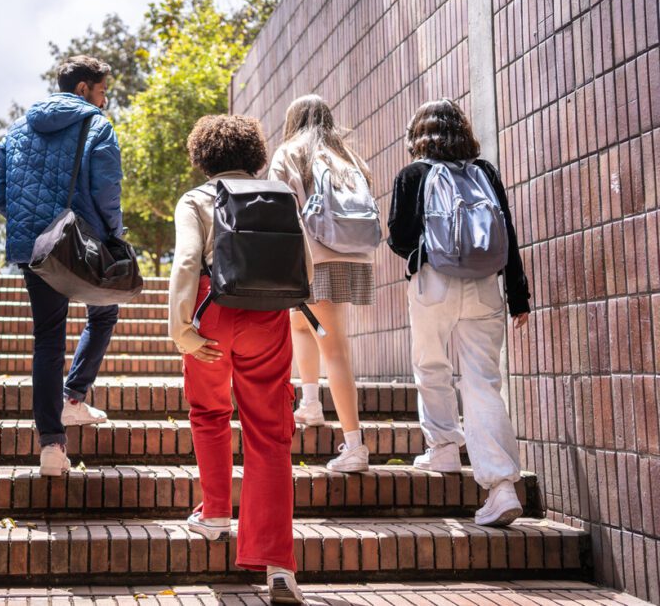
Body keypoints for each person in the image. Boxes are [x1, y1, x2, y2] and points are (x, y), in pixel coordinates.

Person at [169, 115, 305, 604]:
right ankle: (279, 567)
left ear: (202, 156)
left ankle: (214, 514)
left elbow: (187, 260)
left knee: (209, 412)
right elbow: (298, 260)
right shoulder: (281, 194)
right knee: (270, 433)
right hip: (267, 314)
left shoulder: (196, 199)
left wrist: (179, 327)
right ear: (255, 153)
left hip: (211, 307)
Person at [388, 98, 531, 526]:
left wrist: (425, 252)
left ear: (419, 135)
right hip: (487, 285)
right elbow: (507, 232)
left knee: (431, 363)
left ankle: (444, 450)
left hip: (434, 282)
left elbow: (398, 237)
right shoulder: (484, 172)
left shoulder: (413, 174)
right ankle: (502, 487)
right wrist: (519, 296)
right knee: (484, 383)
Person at [0, 55, 123, 477]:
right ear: (83, 88)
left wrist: (32, 223)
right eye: (101, 91)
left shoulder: (15, 132)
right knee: (104, 312)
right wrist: (114, 235)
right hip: (81, 242)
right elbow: (106, 190)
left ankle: (51, 446)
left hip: (36, 249)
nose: (104, 101)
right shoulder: (96, 125)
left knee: (48, 339)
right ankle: (74, 398)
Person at [268, 95, 376, 473]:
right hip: (350, 254)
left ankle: (355, 446)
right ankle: (311, 402)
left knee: (335, 349)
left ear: (293, 120)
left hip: (313, 257)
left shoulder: (288, 152)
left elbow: (278, 210)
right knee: (302, 322)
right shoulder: (347, 155)